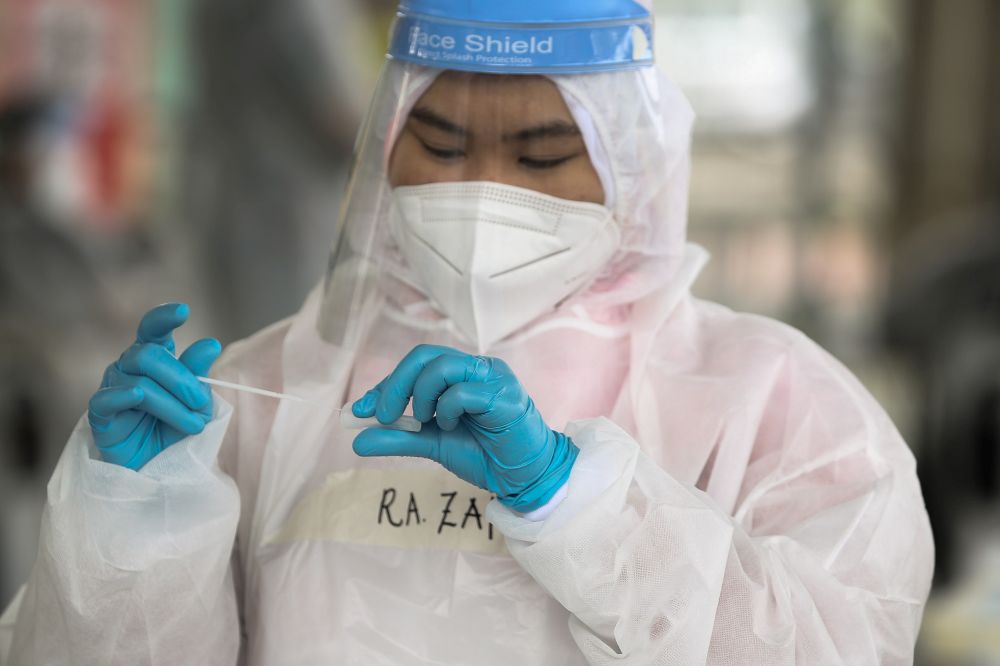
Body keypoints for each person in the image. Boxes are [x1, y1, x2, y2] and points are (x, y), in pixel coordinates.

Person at [0, 1, 934, 663]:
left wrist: (583, 506)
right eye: (440, 146)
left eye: (542, 153)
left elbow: (840, 649)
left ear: (635, 169)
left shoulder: (776, 407)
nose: (483, 190)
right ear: (384, 150)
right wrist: (129, 522)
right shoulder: (265, 390)